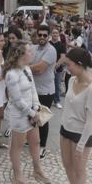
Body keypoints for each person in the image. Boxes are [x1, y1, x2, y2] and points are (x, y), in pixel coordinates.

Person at [59, 48, 92, 184]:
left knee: (79, 170)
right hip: (66, 130)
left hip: (81, 135)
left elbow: (91, 121)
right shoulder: (71, 80)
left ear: (79, 64)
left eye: (69, 65)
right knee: (67, 165)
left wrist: (81, 144)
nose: (67, 68)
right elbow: (68, 107)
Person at [3, 42, 51, 184]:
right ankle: (17, 175)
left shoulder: (26, 69)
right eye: (29, 51)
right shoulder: (11, 74)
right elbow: (16, 100)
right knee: (17, 146)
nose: (32, 54)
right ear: (20, 55)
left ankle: (37, 170)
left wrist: (36, 107)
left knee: (35, 141)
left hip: (32, 113)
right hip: (19, 116)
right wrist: (32, 113)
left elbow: (32, 90)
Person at [30, 25, 57, 159]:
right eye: (39, 35)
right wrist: (31, 67)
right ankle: (33, 141)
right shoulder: (32, 48)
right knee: (31, 117)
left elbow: (40, 69)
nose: (41, 37)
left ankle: (42, 147)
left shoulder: (51, 50)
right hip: (32, 90)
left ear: (48, 36)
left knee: (42, 120)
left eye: (44, 35)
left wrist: (24, 67)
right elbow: (27, 62)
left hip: (46, 91)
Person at [49, 28, 67, 108]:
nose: (55, 34)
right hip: (48, 68)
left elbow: (63, 57)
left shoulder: (62, 45)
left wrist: (56, 65)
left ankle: (57, 100)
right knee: (48, 85)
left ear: (58, 34)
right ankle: (48, 100)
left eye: (56, 33)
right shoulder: (48, 44)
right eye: (53, 33)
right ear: (51, 34)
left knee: (57, 85)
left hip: (58, 69)